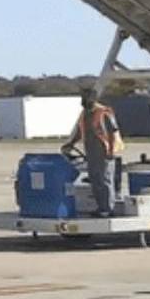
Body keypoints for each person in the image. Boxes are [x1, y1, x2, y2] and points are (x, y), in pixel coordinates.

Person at [63, 89, 124, 218]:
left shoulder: (104, 113)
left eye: (85, 99)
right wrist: (70, 144)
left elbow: (113, 133)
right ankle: (101, 207)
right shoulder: (84, 114)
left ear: (93, 99)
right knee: (95, 180)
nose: (83, 101)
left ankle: (108, 208)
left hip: (105, 152)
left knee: (105, 180)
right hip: (91, 153)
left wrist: (111, 151)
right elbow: (80, 131)